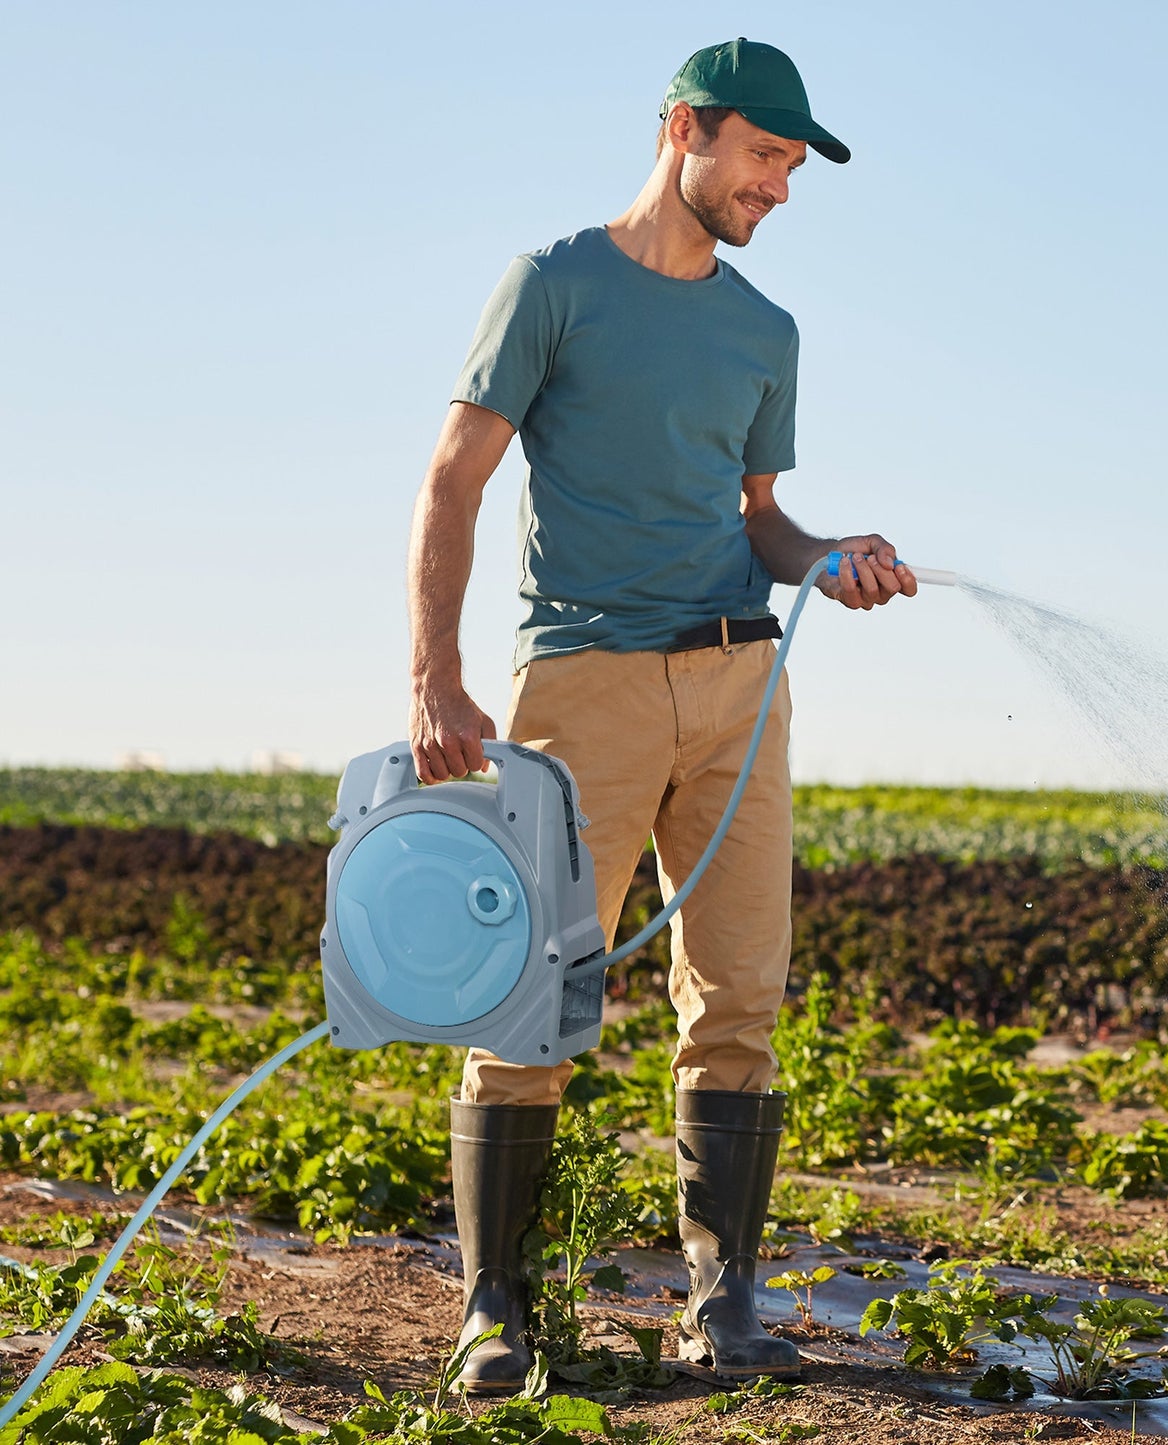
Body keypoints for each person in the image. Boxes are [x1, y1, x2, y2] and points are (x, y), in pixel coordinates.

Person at [406, 38, 917, 1393]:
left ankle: (723, 1302)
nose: (779, 189)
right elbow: (453, 479)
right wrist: (433, 677)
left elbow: (757, 520)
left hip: (741, 686)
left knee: (738, 996)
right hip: (584, 683)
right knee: (531, 999)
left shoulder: (765, 332)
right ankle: (495, 1311)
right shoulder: (554, 284)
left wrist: (828, 559)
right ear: (685, 128)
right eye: (763, 156)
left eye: (794, 168)